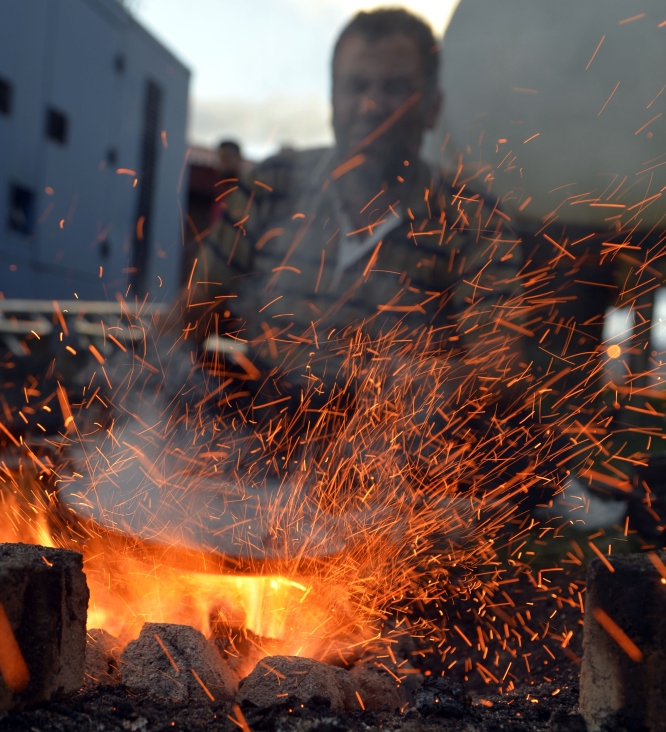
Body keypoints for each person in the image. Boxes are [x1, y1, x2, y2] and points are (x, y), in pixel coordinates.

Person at [180, 7, 522, 488]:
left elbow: (498, 366)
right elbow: (190, 315)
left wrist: (383, 396)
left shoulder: (473, 219)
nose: (372, 105)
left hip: (394, 480)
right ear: (332, 102)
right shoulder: (274, 185)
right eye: (356, 86)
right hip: (254, 458)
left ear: (432, 107)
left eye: (396, 88)